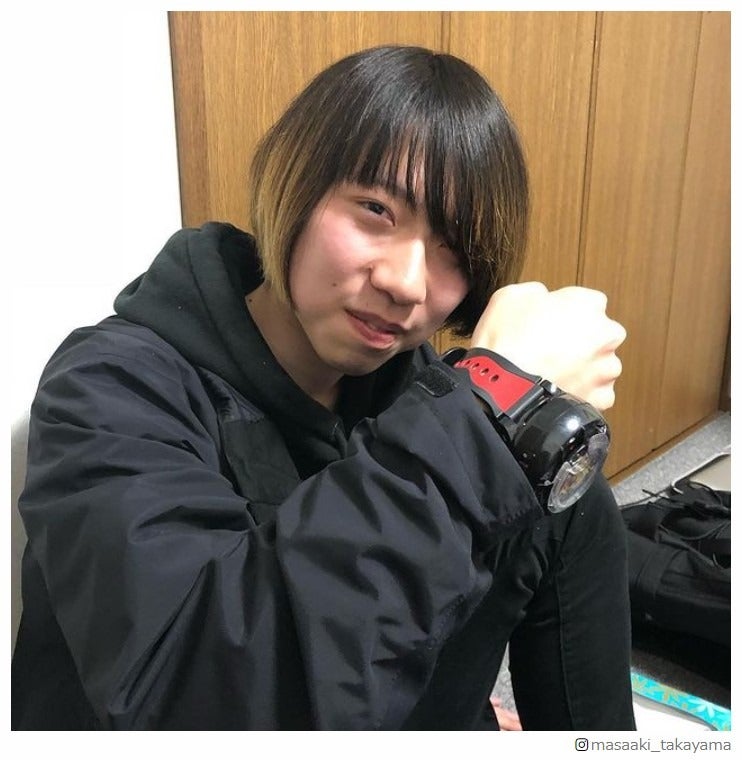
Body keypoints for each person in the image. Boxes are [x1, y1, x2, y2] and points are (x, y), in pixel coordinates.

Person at [12, 45, 634, 730]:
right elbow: (195, 700)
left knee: (558, 490)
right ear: (295, 187)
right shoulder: (108, 389)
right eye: (375, 210)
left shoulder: (407, 381)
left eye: (454, 250)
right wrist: (489, 408)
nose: (406, 283)